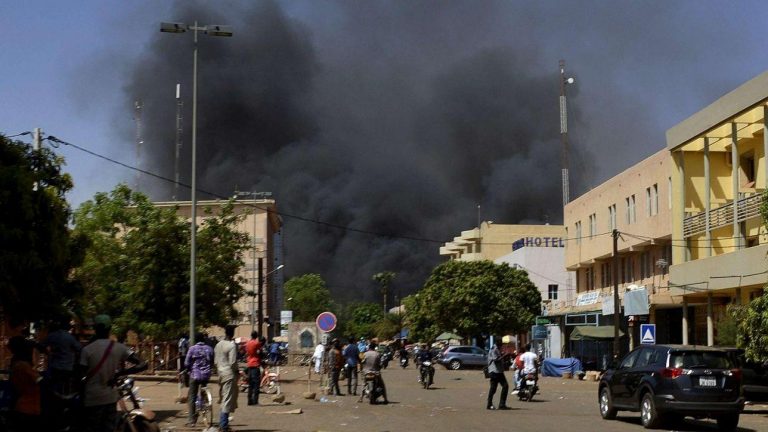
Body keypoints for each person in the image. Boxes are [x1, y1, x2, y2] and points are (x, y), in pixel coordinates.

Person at [78, 314, 147, 432]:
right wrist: (120, 373)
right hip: (110, 398)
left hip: (91, 398)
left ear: (95, 329)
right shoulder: (119, 347)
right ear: (109, 329)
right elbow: (143, 364)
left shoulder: (86, 350)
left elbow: (79, 375)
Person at [8, 336, 42, 431]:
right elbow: (40, 380)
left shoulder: (15, 364)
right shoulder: (24, 366)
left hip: (21, 406)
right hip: (30, 408)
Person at [184, 333, 213, 427]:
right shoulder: (209, 348)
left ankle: (192, 420)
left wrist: (188, 369)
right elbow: (212, 361)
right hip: (206, 375)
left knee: (192, 396)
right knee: (203, 390)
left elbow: (186, 363)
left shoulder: (192, 349)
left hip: (195, 375)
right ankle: (203, 402)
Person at [214, 325, 239, 432]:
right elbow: (233, 362)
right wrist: (237, 371)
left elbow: (215, 361)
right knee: (227, 399)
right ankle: (223, 425)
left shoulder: (218, 345)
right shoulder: (231, 346)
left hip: (220, 373)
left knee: (224, 398)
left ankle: (224, 424)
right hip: (229, 374)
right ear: (232, 334)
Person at [486, 343, 509, 410]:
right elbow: (496, 360)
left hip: (497, 371)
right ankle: (500, 404)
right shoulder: (494, 349)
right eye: (501, 344)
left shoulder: (496, 349)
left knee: (493, 388)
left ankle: (490, 404)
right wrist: (505, 355)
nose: (502, 346)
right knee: (504, 386)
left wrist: (502, 354)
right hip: (495, 371)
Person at [244, 331, 262, 405]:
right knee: (256, 384)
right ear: (256, 336)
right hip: (255, 364)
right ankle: (255, 401)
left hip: (249, 364)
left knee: (250, 384)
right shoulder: (257, 343)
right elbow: (259, 352)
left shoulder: (247, 343)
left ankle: (249, 400)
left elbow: (247, 353)